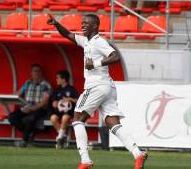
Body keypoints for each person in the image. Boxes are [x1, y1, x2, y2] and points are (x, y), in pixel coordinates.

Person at [47, 14, 147, 169]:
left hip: (96, 86)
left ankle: (85, 160)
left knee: (78, 119)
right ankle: (137, 153)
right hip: (107, 87)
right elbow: (68, 34)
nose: (83, 25)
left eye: (86, 23)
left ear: (95, 26)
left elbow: (115, 56)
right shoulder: (86, 41)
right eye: (82, 23)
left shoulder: (99, 42)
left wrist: (95, 63)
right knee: (112, 123)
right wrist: (56, 24)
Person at [8, 64, 52, 148]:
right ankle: (30, 133)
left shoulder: (46, 85)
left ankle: (24, 141)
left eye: (38, 71)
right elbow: (18, 93)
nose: (36, 73)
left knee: (29, 119)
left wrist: (33, 108)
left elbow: (45, 102)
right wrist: (6, 96)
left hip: (40, 108)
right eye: (34, 71)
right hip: (26, 107)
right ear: (31, 73)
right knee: (11, 117)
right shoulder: (28, 83)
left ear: (41, 72)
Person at [50, 70, 78, 148]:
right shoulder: (57, 90)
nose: (56, 80)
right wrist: (56, 103)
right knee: (53, 118)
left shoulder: (72, 89)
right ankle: (63, 137)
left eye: (58, 78)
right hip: (59, 112)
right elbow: (53, 102)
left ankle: (59, 138)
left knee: (65, 117)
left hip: (69, 112)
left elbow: (78, 100)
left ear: (64, 79)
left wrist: (70, 99)